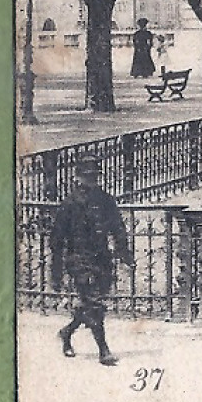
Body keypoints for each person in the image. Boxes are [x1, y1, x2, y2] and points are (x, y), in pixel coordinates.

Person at [51, 156, 133, 366]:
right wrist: (57, 272)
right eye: (87, 176)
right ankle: (103, 351)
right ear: (78, 177)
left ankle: (67, 332)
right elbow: (57, 240)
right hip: (78, 259)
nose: (91, 180)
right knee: (94, 302)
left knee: (92, 302)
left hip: (101, 258)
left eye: (95, 176)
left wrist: (125, 254)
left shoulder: (105, 200)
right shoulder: (70, 204)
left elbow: (118, 228)